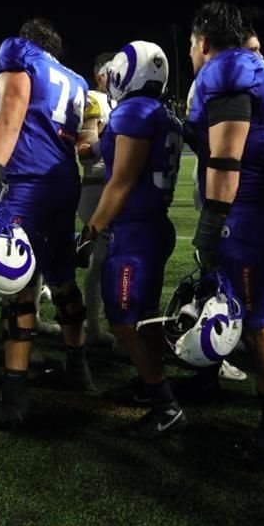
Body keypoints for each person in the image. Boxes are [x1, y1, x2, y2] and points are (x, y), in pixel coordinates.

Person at [0, 18, 95, 427]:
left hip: (27, 182)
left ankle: (14, 398)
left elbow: (10, 117)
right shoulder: (75, 80)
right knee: (61, 278)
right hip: (63, 181)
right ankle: (78, 368)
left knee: (17, 287)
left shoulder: (19, 54)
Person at [188, 2, 264, 458]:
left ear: (203, 42)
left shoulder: (227, 69)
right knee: (223, 305)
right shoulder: (249, 66)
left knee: (254, 325)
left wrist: (212, 221)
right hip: (247, 209)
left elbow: (228, 154)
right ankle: (208, 382)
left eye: (192, 44)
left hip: (239, 215)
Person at [78, 41, 185, 437]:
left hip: (133, 230)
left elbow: (121, 182)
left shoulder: (134, 111)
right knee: (146, 318)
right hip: (152, 224)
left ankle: (165, 405)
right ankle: (147, 384)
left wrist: (90, 230)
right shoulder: (162, 113)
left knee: (124, 321)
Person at [76, 52, 117, 347]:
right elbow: (84, 149)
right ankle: (92, 325)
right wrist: (109, 139)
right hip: (95, 186)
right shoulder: (95, 100)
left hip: (112, 187)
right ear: (99, 74)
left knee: (110, 259)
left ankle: (100, 322)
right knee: (101, 260)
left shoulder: (119, 101)